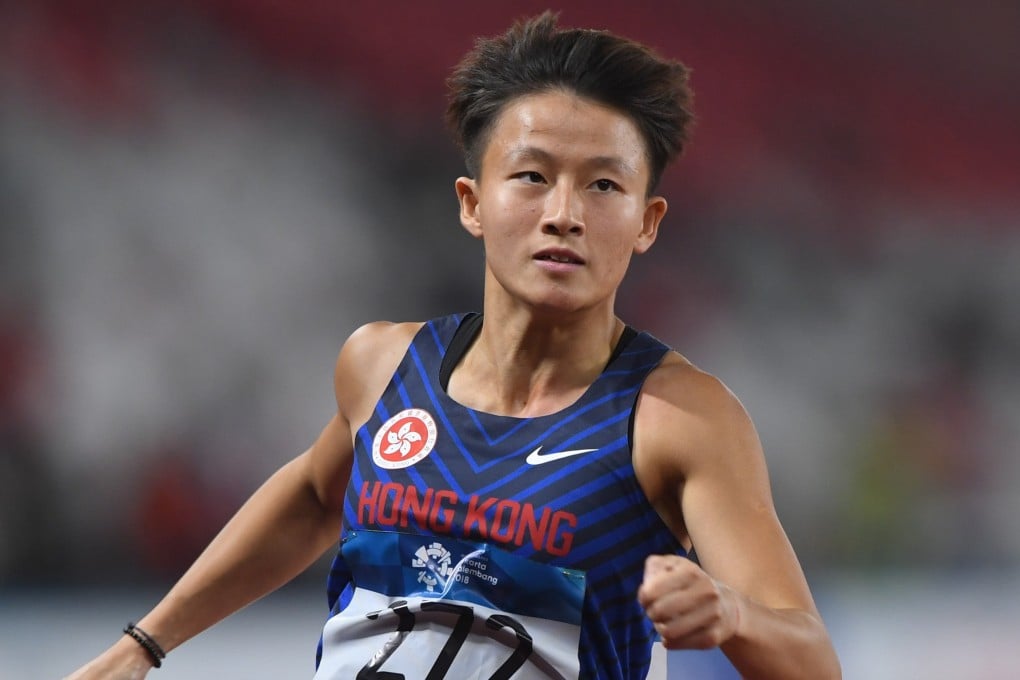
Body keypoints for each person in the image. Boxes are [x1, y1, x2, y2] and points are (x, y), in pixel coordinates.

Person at [66, 12, 840, 680]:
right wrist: (146, 642)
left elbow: (811, 658)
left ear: (647, 221)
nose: (564, 213)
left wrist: (731, 613)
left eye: (603, 186)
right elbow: (311, 498)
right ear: (473, 203)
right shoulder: (382, 365)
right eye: (532, 176)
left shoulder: (676, 419)